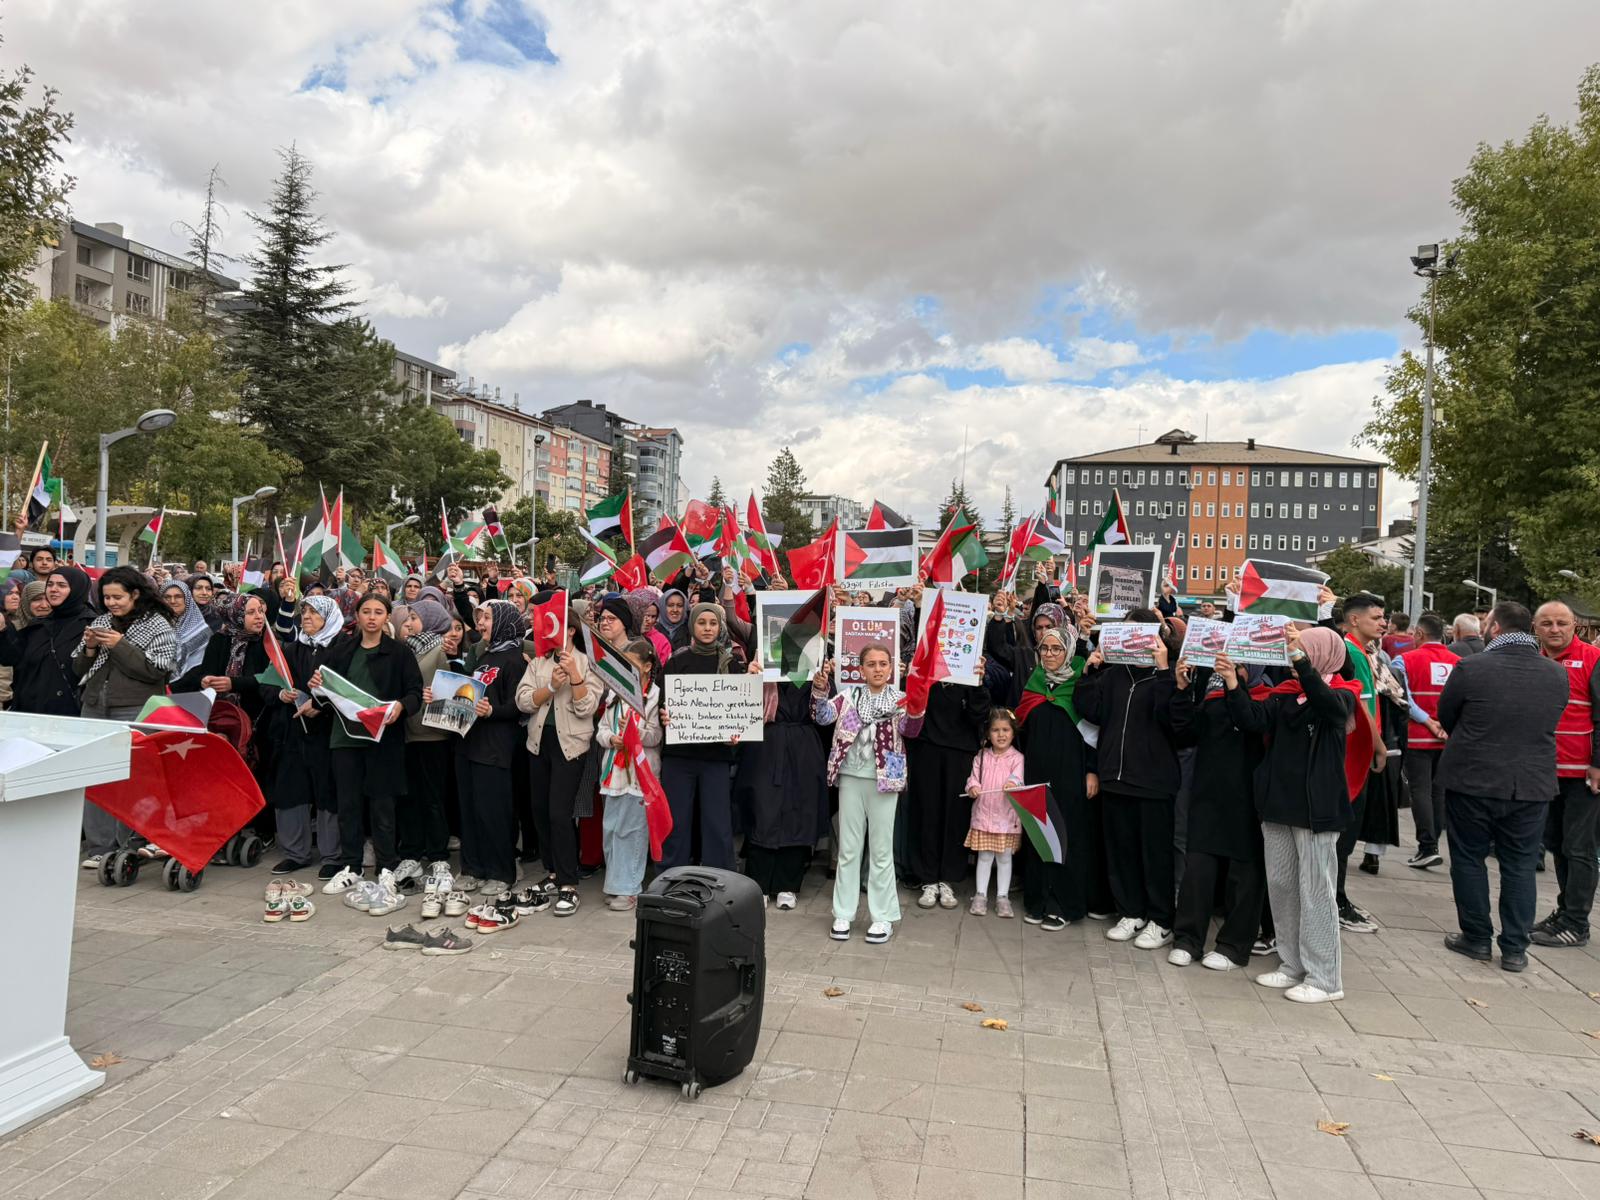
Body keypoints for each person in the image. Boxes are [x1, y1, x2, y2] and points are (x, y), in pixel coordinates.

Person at [1221, 626, 1366, 1003]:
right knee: (1283, 887)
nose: (1291, 657)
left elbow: (1328, 705)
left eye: (1301, 651)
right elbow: (1252, 719)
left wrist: (1301, 662)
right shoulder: (1287, 695)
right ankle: (1292, 964)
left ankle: (1325, 979)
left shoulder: (1343, 695)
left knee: (1317, 891)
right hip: (1279, 804)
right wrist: (1231, 685)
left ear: (1321, 655)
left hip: (1316, 809)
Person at [1437, 601, 1569, 971]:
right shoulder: (1556, 674)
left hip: (1472, 779)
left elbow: (1448, 715)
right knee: (1520, 866)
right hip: (1530, 783)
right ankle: (1515, 948)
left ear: (1495, 628)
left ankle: (1476, 938)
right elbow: (1552, 717)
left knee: (1467, 858)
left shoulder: (1471, 668)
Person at [1075, 610, 1181, 950]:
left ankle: (1161, 920)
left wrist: (1164, 670)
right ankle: (1131, 911)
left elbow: (1175, 721)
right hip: (1114, 776)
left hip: (1153, 781)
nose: (1133, 638)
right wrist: (1091, 670)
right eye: (1127, 632)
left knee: (1154, 854)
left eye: (1140, 632)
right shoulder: (1113, 674)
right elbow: (1090, 709)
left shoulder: (1168, 673)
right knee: (1120, 851)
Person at [314, 593, 424, 897]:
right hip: (345, 738)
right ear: (357, 616)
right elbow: (325, 699)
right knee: (348, 804)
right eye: (366, 611)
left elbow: (414, 692)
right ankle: (352, 865)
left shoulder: (399, 653)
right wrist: (317, 689)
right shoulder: (342, 651)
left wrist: (401, 707)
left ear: (387, 616)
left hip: (383, 739)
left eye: (378, 612)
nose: (372, 617)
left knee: (383, 804)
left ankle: (387, 865)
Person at [814, 643, 923, 944]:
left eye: (882, 664)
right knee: (849, 848)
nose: (877, 669)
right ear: (860, 669)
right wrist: (820, 689)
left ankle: (882, 916)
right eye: (871, 664)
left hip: (885, 780)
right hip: (850, 777)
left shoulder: (900, 700)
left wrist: (918, 704)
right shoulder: (849, 697)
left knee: (881, 849)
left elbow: (912, 731)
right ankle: (843, 913)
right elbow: (822, 716)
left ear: (891, 668)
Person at [73, 566, 179, 868]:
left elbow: (155, 671)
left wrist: (120, 646)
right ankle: (98, 848)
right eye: (106, 597)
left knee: (132, 779)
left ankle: (129, 844)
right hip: (95, 707)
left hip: (136, 710)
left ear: (134, 594)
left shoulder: (158, 625)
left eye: (117, 597)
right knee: (95, 778)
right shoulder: (101, 621)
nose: (111, 603)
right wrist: (91, 647)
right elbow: (79, 669)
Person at [1167, 655, 1268, 971]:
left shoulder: (1267, 692)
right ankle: (1187, 939)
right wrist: (1183, 691)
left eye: (1241, 663)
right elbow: (1187, 733)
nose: (1232, 666)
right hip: (1208, 794)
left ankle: (1233, 946)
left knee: (1244, 874)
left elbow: (1250, 721)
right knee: (1198, 869)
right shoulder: (1212, 693)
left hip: (1249, 797)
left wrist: (1234, 686)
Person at [1015, 626, 1105, 929]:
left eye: (1056, 649)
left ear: (1068, 651)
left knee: (1069, 835)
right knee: (1040, 832)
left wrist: (1092, 770)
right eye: (1045, 648)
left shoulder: (1081, 681)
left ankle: (1064, 904)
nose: (1050, 654)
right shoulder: (1035, 683)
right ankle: (1038, 899)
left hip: (1072, 772)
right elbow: (1023, 729)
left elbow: (1093, 731)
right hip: (1038, 770)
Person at [437, 600, 527, 904]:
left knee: (494, 812)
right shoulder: (484, 654)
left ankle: (501, 873)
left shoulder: (516, 659)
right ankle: (472, 868)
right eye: (481, 618)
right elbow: (468, 692)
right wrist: (439, 698)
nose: (481, 624)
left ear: (503, 622)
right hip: (468, 742)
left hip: (496, 747)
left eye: (487, 617)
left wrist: (493, 712)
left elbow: (518, 706)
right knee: (470, 810)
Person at [515, 609, 601, 916]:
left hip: (571, 747)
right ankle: (551, 872)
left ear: (572, 631)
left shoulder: (587, 663)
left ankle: (569, 882)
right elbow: (522, 700)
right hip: (539, 745)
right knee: (539, 810)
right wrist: (550, 686)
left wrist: (575, 676)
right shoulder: (539, 662)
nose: (551, 634)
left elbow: (587, 706)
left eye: (558, 628)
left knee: (559, 813)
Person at [658, 603, 748, 871]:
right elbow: (664, 702)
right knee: (676, 821)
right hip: (679, 756)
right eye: (702, 623)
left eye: (713, 623)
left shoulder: (731, 664)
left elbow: (738, 710)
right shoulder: (676, 660)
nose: (708, 628)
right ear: (692, 626)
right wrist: (665, 716)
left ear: (720, 627)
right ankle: (670, 876)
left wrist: (736, 734)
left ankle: (720, 878)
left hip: (715, 757)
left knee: (717, 822)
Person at [1531, 601, 1600, 948]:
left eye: (1561, 623)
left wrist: (1598, 763)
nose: (1554, 629)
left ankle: (1577, 923)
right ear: (1535, 627)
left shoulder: (1592, 658)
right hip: (1547, 770)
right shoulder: (1535, 660)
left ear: (1575, 625)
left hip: (1584, 774)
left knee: (1580, 847)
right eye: (1546, 623)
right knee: (1557, 844)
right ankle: (1565, 911)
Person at [906, 643, 992, 911]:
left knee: (956, 814)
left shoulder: (971, 666)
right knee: (927, 812)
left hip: (960, 751)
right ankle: (927, 878)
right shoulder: (923, 661)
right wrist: (913, 675)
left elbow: (979, 715)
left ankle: (949, 878)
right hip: (927, 748)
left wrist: (978, 683)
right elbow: (911, 705)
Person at [737, 673, 829, 910]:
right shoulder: (761, 666)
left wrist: (821, 687)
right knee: (761, 810)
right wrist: (751, 677)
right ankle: (759, 884)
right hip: (765, 745)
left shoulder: (815, 668)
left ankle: (788, 884)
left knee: (798, 812)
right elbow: (740, 704)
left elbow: (826, 716)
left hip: (803, 747)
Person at [267, 595, 343, 876]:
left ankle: (332, 856)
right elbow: (267, 681)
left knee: (328, 792)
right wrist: (280, 693)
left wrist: (320, 703)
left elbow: (348, 689)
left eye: (313, 612)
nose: (306, 617)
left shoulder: (341, 648)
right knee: (291, 791)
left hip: (327, 733)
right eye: (304, 612)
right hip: (293, 733)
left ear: (329, 616)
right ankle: (295, 853)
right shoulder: (291, 648)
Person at [595, 638, 663, 912]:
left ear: (647, 667)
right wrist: (612, 738)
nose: (627, 669)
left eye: (633, 665)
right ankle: (615, 885)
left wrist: (635, 735)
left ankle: (631, 888)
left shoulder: (655, 694)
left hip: (640, 773)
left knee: (632, 831)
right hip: (614, 771)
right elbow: (601, 730)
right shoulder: (614, 692)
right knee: (611, 830)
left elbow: (656, 735)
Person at [1333, 594, 1387, 934]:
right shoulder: (1351, 651)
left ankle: (1338, 897)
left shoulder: (1362, 651)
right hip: (1352, 757)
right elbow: (1361, 707)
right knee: (1343, 836)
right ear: (1354, 620)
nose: (1383, 623)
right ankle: (1336, 900)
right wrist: (1379, 747)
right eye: (1377, 617)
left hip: (1356, 755)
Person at [400, 598, 455, 890]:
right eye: (408, 617)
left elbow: (453, 687)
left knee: (433, 797)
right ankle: (411, 852)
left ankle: (437, 854)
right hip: (407, 732)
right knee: (410, 797)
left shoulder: (439, 649)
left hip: (433, 734)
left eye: (414, 618)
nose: (409, 622)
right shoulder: (407, 648)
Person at [1392, 614, 1455, 870]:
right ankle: (1433, 844)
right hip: (1447, 738)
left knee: (1420, 791)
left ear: (1418, 633)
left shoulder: (1404, 660)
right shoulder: (1460, 663)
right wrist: (1445, 726)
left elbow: (1402, 698)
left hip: (1418, 736)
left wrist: (1428, 722)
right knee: (1438, 792)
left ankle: (1427, 846)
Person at [0, 567, 92, 716]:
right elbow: (11, 658)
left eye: (61, 585)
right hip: (30, 711)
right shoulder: (38, 625)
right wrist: (3, 630)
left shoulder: (92, 624)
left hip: (69, 715)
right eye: (50, 584)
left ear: (77, 589)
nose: (53, 590)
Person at [964, 709, 1025, 917]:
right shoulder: (982, 756)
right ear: (988, 734)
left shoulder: (1017, 758)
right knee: (984, 856)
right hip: (983, 816)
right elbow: (973, 778)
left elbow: (1019, 779)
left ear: (1013, 733)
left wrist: (1012, 783)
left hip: (1006, 819)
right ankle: (980, 895)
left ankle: (1002, 897)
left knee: (1005, 858)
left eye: (1005, 730)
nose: (1001, 735)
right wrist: (972, 787)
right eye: (996, 730)